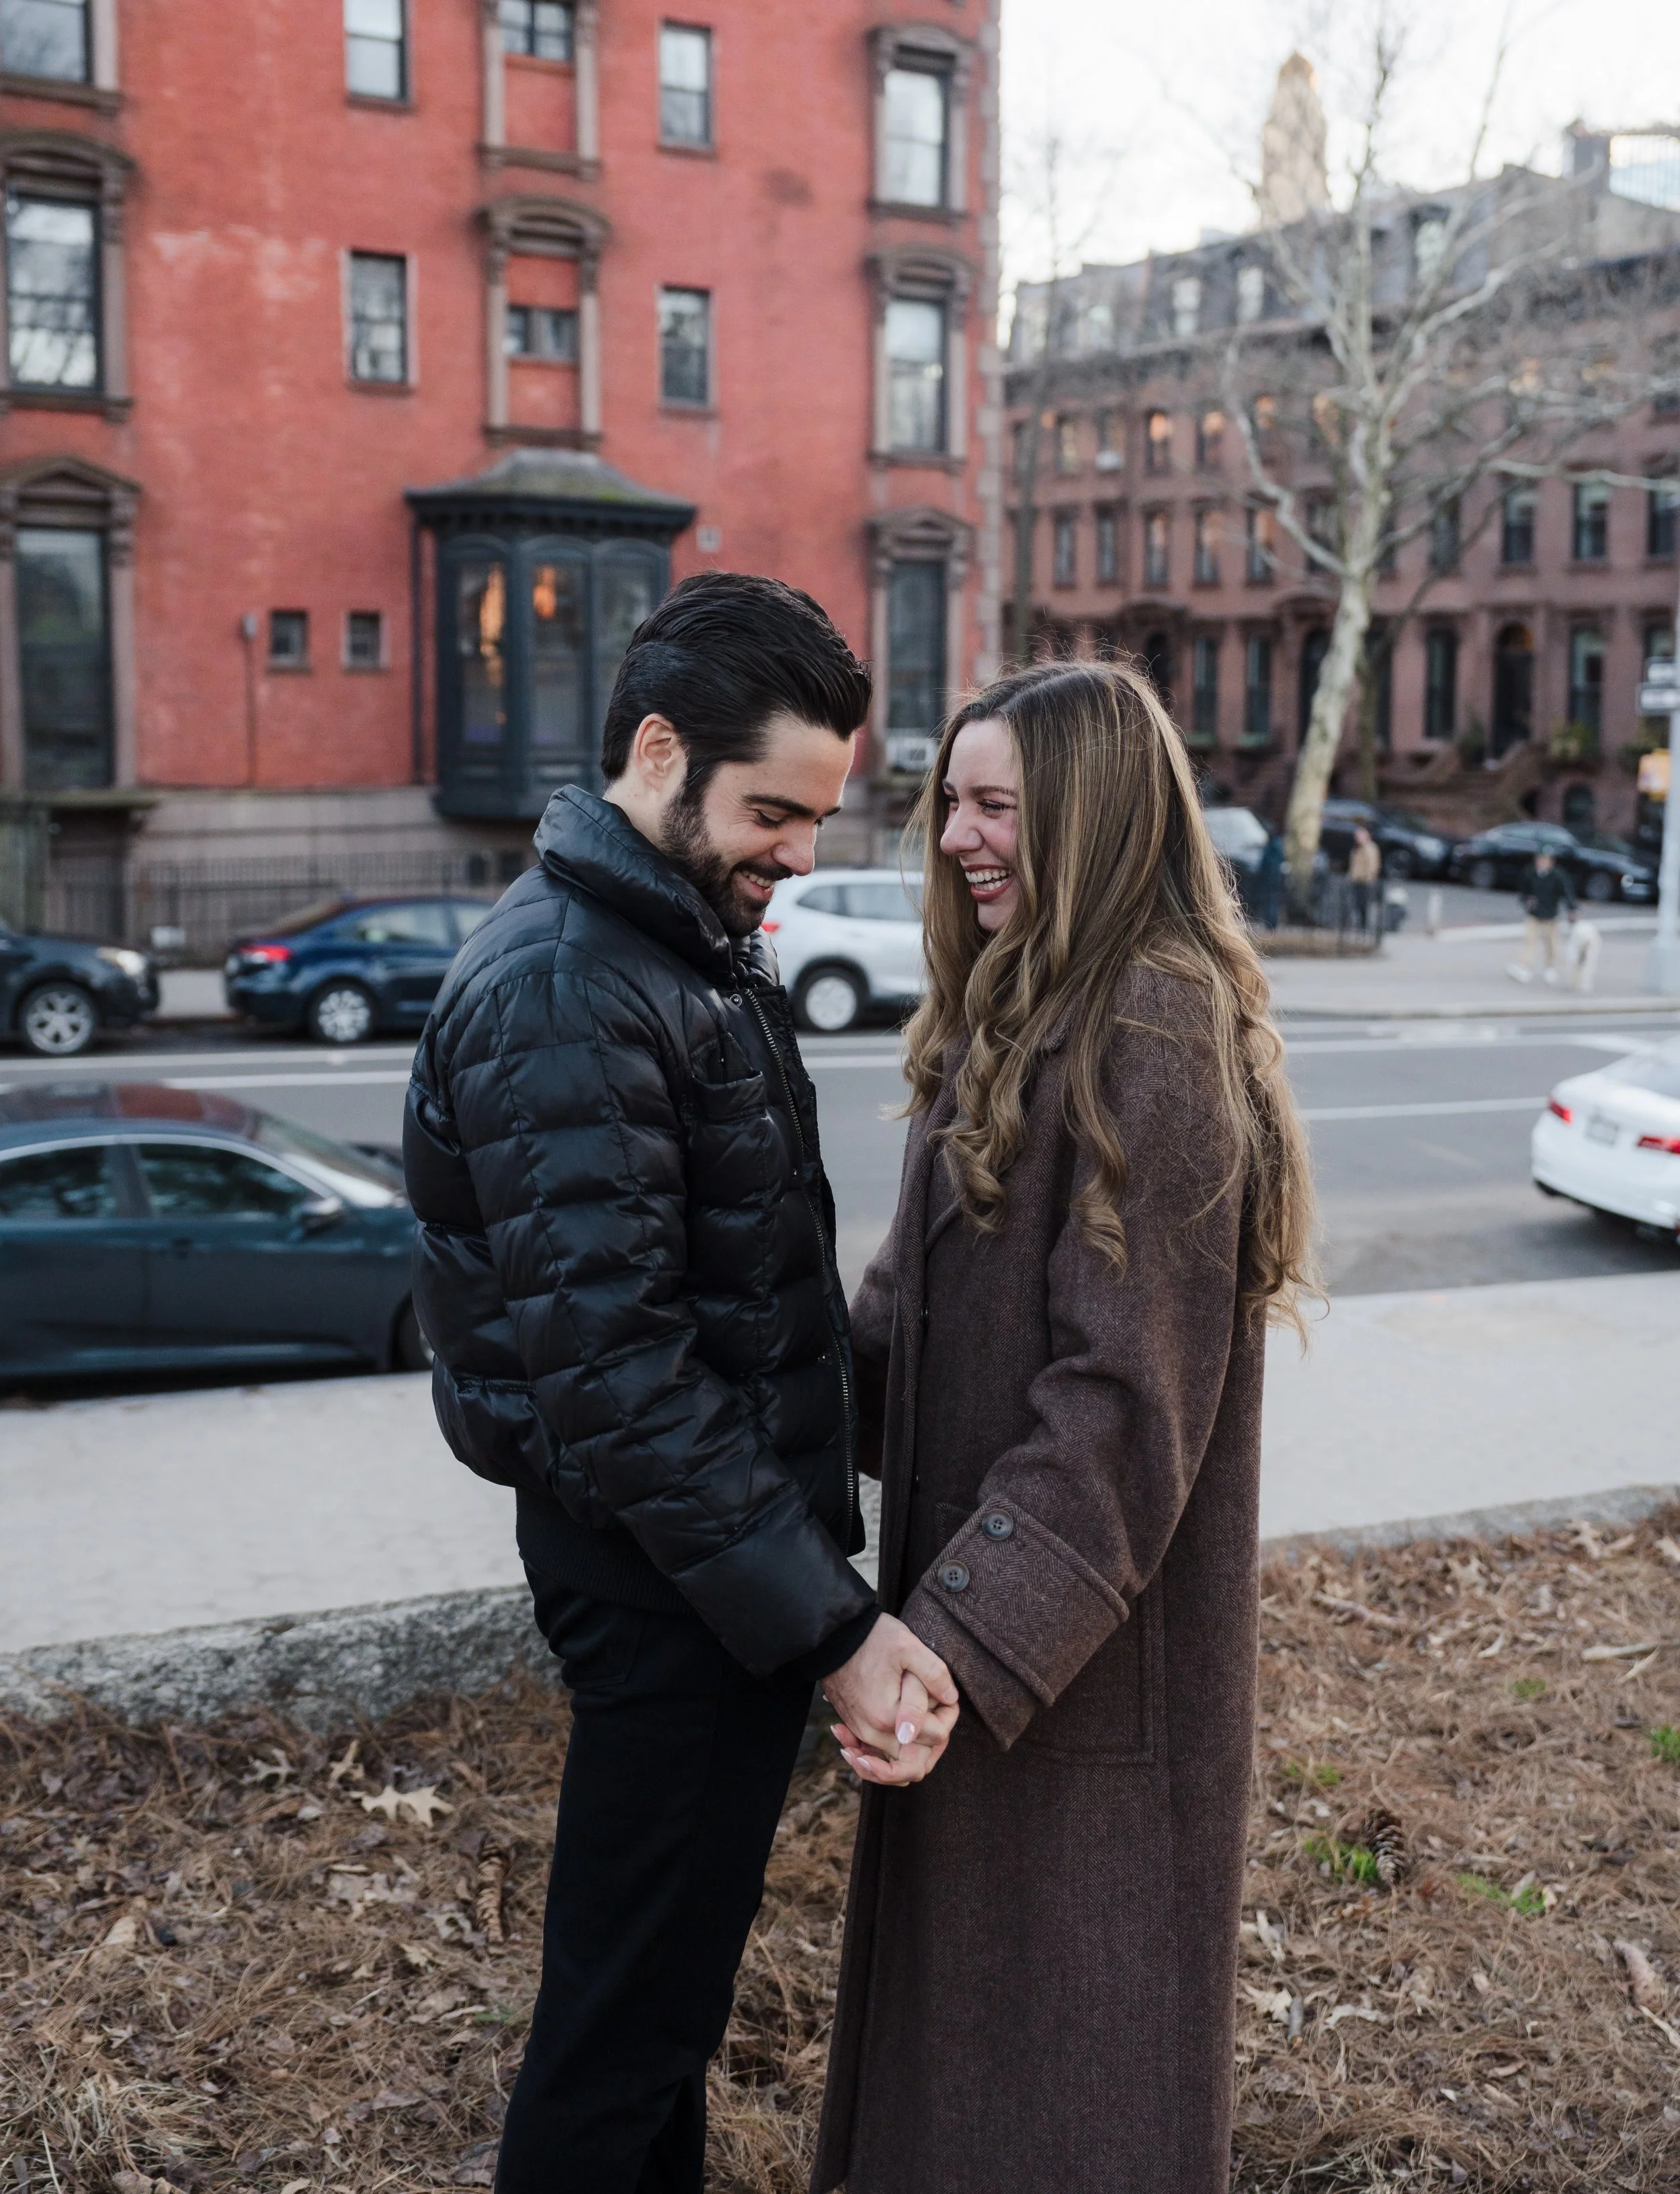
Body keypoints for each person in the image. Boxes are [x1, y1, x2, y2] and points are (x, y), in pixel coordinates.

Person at [404, 572, 958, 2194]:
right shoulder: (571, 985)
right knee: (620, 2037)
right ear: (659, 749)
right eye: (775, 808)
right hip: (666, 1577)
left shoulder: (668, 935)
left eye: (820, 814)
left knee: (657, 2017)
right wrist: (837, 1628)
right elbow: (623, 1377)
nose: (803, 850)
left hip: (706, 1567)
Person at [813, 659, 1316, 2194]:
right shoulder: (1010, 1012)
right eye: (948, 802)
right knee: (972, 2082)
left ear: (1093, 819)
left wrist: (949, 1649)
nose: (956, 836)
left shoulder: (1152, 1026)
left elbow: (1124, 1406)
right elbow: (903, 1340)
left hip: (1071, 1682)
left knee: (1055, 2098)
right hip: (1002, 1653)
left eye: (995, 808)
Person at [1507, 849, 1576, 983]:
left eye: (1546, 860)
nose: (1542, 863)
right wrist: (1526, 900)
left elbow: (1567, 893)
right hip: (1534, 914)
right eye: (1540, 859)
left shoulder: (1557, 876)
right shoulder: (1530, 873)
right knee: (1530, 940)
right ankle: (1525, 966)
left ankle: (1550, 968)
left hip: (1551, 916)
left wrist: (1572, 909)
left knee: (1551, 943)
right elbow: (1523, 890)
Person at [1347, 822, 1382, 933]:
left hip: (1364, 881)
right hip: (1356, 879)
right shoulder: (1358, 849)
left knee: (1363, 905)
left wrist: (1370, 878)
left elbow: (1373, 865)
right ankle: (1359, 925)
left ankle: (1363, 926)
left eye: (1359, 836)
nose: (1357, 838)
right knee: (1356, 904)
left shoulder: (1369, 849)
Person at [1255, 824, 1286, 930]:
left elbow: (1266, 862)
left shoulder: (1272, 846)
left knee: (1270, 901)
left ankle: (1271, 923)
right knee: (1273, 900)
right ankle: (1271, 923)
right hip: (1275, 877)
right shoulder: (1277, 845)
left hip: (1270, 877)